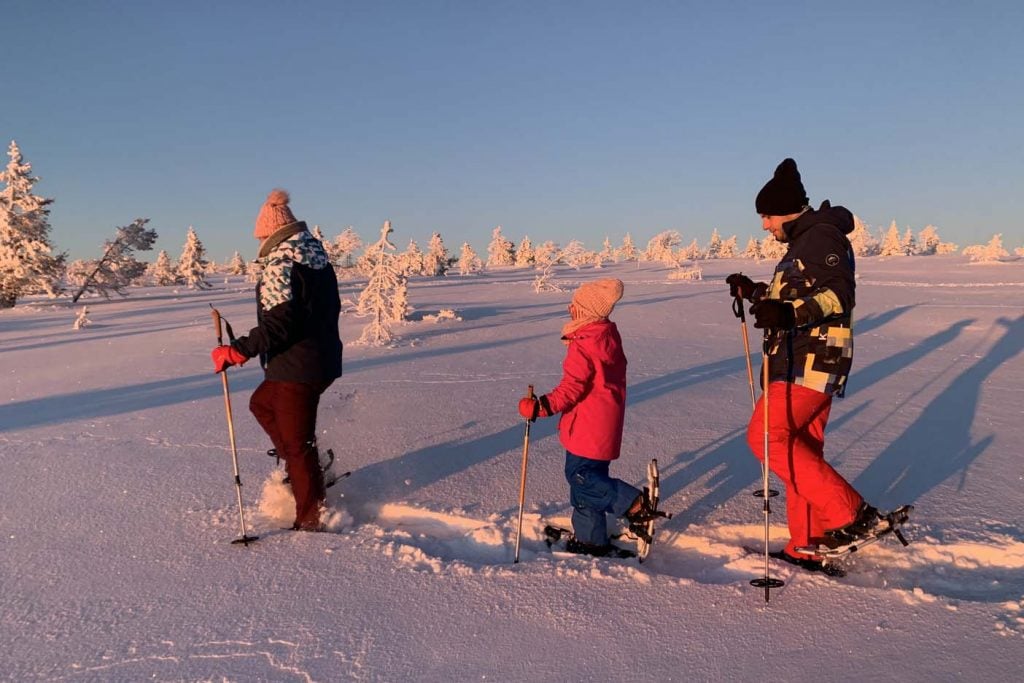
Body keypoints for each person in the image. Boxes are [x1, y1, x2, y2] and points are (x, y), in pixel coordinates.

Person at [726, 158, 885, 573]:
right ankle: (807, 543)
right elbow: (793, 298)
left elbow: (838, 296)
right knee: (803, 448)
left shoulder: (821, 237)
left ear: (786, 210)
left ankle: (851, 515)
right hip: (805, 360)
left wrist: (790, 316)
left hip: (808, 363)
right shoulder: (805, 243)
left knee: (765, 437)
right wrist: (756, 293)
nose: (764, 225)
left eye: (767, 216)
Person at [211, 189, 342, 531]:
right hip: (318, 360)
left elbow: (280, 323)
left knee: (298, 445)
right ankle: (304, 472)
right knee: (262, 403)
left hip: (297, 367)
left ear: (269, 234)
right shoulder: (315, 258)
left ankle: (311, 517)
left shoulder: (281, 264)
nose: (259, 244)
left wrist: (237, 350)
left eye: (260, 237)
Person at [517, 278, 657, 557]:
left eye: (577, 306)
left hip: (588, 426)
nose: (571, 308)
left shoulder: (585, 343)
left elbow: (572, 388)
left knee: (582, 478)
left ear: (588, 312)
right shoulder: (605, 335)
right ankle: (591, 540)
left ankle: (634, 504)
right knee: (584, 486)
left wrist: (540, 407)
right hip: (601, 423)